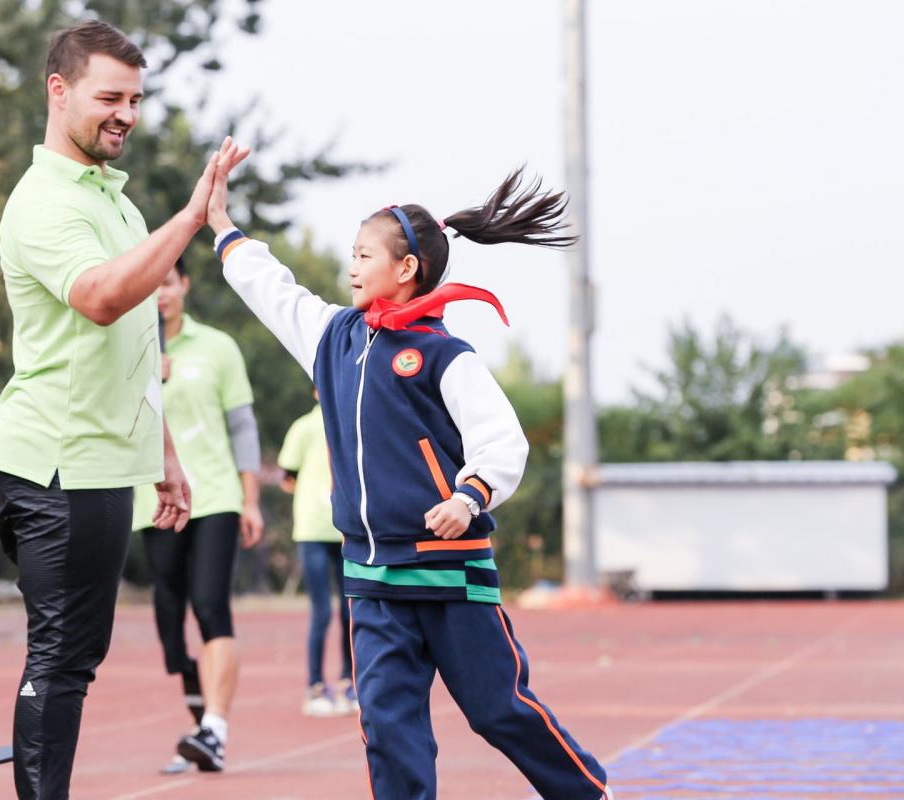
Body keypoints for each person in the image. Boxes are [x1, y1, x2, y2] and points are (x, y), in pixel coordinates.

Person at [204, 140, 611, 800]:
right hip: (372, 577)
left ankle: (589, 791)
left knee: (498, 710)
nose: (351, 265)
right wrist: (223, 227)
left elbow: (501, 442)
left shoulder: (444, 353)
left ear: (408, 268)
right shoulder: (332, 338)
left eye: (364, 255)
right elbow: (272, 290)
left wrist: (468, 496)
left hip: (452, 576)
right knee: (389, 730)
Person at [0, 19, 243, 799]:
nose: (126, 113)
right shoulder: (44, 204)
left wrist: (161, 457)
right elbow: (100, 300)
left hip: (102, 467)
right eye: (109, 96)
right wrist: (194, 216)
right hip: (52, 463)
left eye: (135, 98)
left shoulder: (117, 204)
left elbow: (131, 352)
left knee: (76, 658)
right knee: (60, 657)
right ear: (58, 92)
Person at [133, 257, 264, 774]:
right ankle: (200, 728)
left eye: (167, 283)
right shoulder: (127, 351)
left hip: (213, 497)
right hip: (154, 504)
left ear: (183, 285)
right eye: (151, 287)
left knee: (210, 605)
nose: (159, 295)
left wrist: (251, 499)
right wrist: (142, 379)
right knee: (171, 625)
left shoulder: (218, 348)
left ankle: (215, 726)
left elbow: (244, 428)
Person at [279, 393, 356, 716]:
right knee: (321, 611)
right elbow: (287, 476)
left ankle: (347, 681)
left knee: (350, 610)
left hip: (346, 531)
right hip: (312, 529)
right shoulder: (304, 427)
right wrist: (315, 495)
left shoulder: (352, 420)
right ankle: (314, 685)